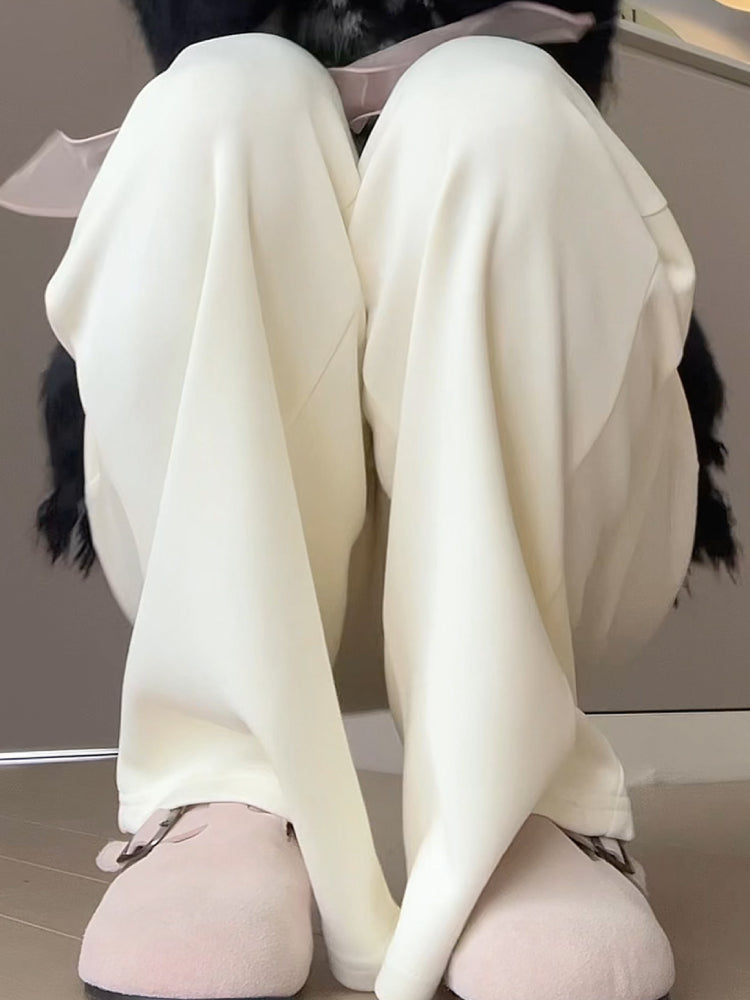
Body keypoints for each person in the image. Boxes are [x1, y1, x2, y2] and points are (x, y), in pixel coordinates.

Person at [25, 2, 739, 999]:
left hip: (546, 542)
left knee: (494, 97)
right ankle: (221, 784)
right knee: (222, 94)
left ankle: (522, 794)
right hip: (215, 538)